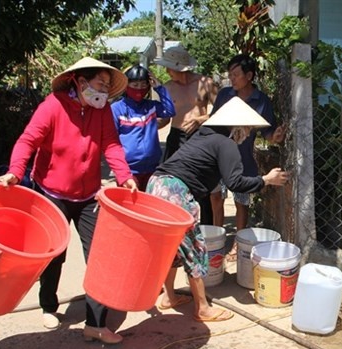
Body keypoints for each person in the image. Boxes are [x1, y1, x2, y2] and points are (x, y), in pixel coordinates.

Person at [0, 57, 138, 345]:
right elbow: (28, 141)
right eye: (100, 83)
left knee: (99, 256)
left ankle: (95, 324)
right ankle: (48, 305)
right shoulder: (53, 106)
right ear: (80, 82)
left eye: (108, 86)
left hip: (88, 196)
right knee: (53, 255)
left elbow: (110, 144)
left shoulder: (102, 110)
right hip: (51, 193)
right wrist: (14, 171)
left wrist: (124, 176)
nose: (105, 90)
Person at [147, 96, 289, 318]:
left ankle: (169, 296)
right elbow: (236, 183)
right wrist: (267, 179)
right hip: (175, 191)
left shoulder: (205, 134)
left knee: (173, 245)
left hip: (158, 184)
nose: (249, 133)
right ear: (238, 126)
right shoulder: (226, 143)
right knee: (193, 247)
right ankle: (202, 308)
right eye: (249, 128)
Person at [208, 54, 284, 259]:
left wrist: (274, 137)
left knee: (242, 201)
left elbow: (267, 132)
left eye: (235, 74)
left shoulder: (261, 101)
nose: (231, 79)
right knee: (216, 198)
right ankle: (217, 241)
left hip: (243, 160)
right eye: (229, 75)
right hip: (219, 157)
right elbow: (213, 122)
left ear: (249, 76)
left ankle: (238, 246)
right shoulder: (224, 95)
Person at [154, 44, 218, 222]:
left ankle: (205, 227)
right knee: (170, 183)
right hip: (176, 137)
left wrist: (200, 119)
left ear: (179, 67)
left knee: (202, 185)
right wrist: (147, 127)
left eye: (170, 67)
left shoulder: (206, 83)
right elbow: (165, 119)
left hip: (199, 138)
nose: (167, 71)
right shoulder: (167, 87)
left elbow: (221, 110)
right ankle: (174, 222)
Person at [111, 65, 176, 191]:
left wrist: (159, 87)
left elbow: (170, 111)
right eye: (135, 85)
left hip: (152, 168)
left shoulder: (151, 106)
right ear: (126, 85)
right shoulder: (116, 108)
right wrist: (120, 170)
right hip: (128, 170)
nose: (139, 89)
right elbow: (112, 140)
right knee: (130, 206)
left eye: (143, 85)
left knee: (149, 206)